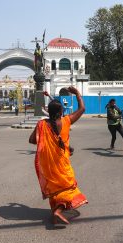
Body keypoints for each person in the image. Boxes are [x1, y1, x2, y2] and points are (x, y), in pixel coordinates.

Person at [29, 86, 87, 225]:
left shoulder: (42, 124)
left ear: (48, 111)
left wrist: (47, 140)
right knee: (68, 186)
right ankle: (58, 211)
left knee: (54, 187)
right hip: (62, 161)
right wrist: (77, 93)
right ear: (61, 111)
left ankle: (55, 210)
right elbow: (82, 109)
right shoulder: (66, 121)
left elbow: (32, 140)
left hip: (48, 163)